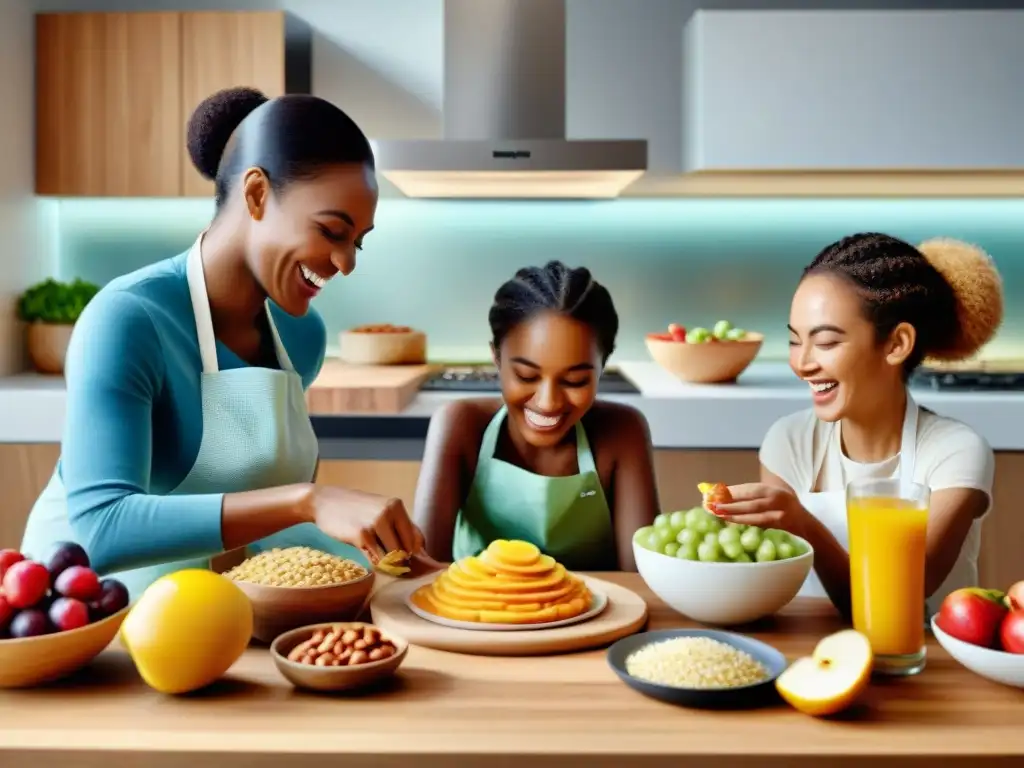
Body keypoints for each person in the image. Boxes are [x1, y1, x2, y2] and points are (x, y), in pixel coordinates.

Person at [21, 87, 429, 599]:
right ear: (256, 193)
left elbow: (267, 524)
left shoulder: (302, 337)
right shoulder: (128, 319)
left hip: (210, 617)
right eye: (331, 231)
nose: (346, 263)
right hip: (94, 624)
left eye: (358, 242)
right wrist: (310, 501)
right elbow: (100, 529)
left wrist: (391, 558)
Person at [711, 233, 1003, 618]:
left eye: (827, 342)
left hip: (923, 665)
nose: (802, 363)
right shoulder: (791, 441)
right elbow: (776, 580)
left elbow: (901, 595)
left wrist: (802, 522)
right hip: (814, 658)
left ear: (897, 344)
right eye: (795, 341)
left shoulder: (955, 452)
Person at [412, 261, 660, 572]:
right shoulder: (461, 425)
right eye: (526, 375)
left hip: (598, 617)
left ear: (602, 367)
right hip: (476, 617)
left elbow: (640, 581)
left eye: (575, 381)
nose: (548, 402)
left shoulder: (623, 432)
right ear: (496, 359)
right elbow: (422, 571)